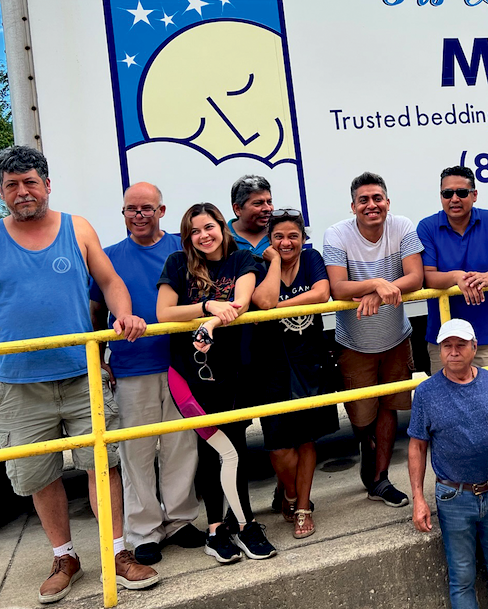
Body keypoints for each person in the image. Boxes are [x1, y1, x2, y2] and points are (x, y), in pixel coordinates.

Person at [0, 145, 158, 604]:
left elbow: (111, 282)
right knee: (39, 475)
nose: (22, 192)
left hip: (81, 376)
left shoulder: (78, 229)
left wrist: (123, 315)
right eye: (12, 185)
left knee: (103, 465)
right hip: (19, 384)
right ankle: (65, 557)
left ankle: (117, 553)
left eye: (30, 182)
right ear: (2, 192)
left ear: (47, 184)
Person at [156, 202, 277, 563]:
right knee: (219, 450)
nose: (203, 236)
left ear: (222, 227)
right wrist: (207, 308)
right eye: (194, 231)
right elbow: (164, 313)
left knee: (235, 444)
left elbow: (240, 302)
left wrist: (212, 322)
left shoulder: (241, 259)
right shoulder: (177, 264)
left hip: (234, 371)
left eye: (208, 227)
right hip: (189, 376)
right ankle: (234, 526)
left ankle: (227, 527)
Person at [89, 182, 202, 566]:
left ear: (162, 211)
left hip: (179, 366)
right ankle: (144, 531)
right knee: (136, 451)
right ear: (123, 213)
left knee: (181, 446)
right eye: (131, 209)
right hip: (131, 366)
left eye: (146, 208)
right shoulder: (108, 257)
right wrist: (100, 358)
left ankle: (181, 520)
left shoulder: (181, 249)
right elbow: (93, 310)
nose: (138, 215)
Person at [408, 319, 488, 609]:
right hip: (453, 496)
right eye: (447, 345)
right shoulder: (426, 393)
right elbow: (417, 446)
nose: (453, 351)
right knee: (461, 579)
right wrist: (418, 499)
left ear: (474, 347)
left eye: (461, 345)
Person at [323, 171, 424, 507]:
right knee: (362, 417)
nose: (371, 205)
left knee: (390, 408)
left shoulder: (402, 226)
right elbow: (338, 287)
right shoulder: (337, 234)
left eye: (377, 198)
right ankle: (370, 462)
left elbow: (415, 276)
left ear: (388, 202)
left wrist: (378, 293)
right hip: (354, 344)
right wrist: (378, 284)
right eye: (364, 200)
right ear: (353, 206)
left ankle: (380, 479)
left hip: (396, 338)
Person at [251, 209, 338, 539]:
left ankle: (302, 506)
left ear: (303, 239)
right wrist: (273, 263)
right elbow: (261, 300)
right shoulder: (258, 266)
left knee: (306, 440)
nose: (287, 242)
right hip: (272, 366)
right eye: (279, 237)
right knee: (278, 447)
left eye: (293, 236)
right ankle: (288, 494)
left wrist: (276, 309)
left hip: (309, 362)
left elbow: (321, 293)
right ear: (269, 241)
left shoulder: (312, 258)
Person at [417, 165, 488, 375]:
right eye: (447, 193)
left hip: (487, 336)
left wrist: (487, 277)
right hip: (443, 338)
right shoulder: (426, 227)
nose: (454, 199)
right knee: (445, 405)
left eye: (462, 193)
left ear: (474, 195)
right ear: (441, 196)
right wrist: (456, 277)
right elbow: (426, 277)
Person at [228, 175, 274, 256]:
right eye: (258, 203)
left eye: (269, 202)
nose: (267, 208)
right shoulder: (221, 238)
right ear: (237, 209)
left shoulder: (281, 236)